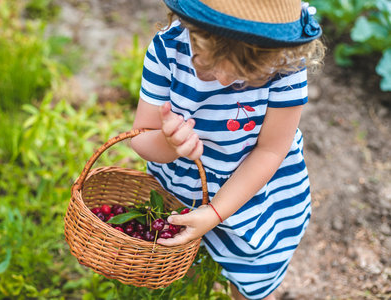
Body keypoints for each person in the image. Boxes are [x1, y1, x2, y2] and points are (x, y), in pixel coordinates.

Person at [130, 0, 325, 299]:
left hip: (256, 196)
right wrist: (168, 144)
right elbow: (140, 136)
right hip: (180, 189)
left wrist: (216, 212)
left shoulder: (283, 64)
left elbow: (271, 151)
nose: (222, 79)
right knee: (182, 265)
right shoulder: (169, 48)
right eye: (206, 62)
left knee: (251, 283)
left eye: (246, 74)